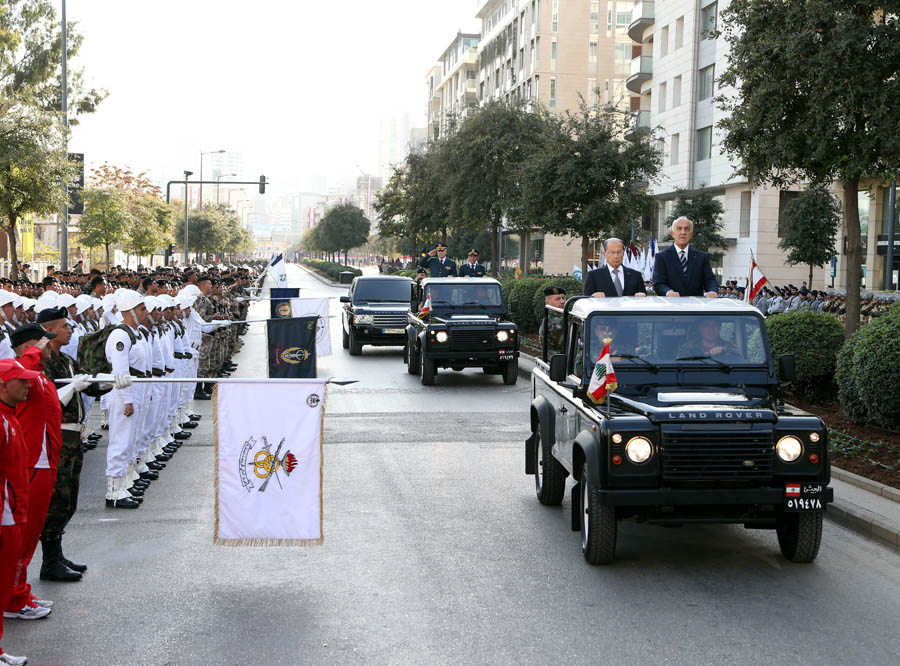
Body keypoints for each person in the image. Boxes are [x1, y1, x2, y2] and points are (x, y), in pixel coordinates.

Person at [0, 358, 46, 666]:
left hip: (13, 515)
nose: (28, 385)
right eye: (22, 381)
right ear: (3, 385)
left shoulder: (10, 416)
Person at [652, 217, 719, 298]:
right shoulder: (662, 257)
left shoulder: (702, 257)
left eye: (686, 229)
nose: (683, 232)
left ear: (691, 234)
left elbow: (710, 280)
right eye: (679, 229)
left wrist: (712, 291)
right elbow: (658, 283)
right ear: (673, 234)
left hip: (695, 306)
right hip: (671, 305)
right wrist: (668, 292)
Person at [677, 318, 741, 359]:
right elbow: (681, 367)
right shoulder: (688, 348)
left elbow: (740, 360)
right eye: (706, 325)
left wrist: (724, 351)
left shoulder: (727, 346)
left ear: (719, 328)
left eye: (715, 325)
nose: (711, 330)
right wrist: (705, 356)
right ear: (699, 328)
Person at [538, 286, 566, 352]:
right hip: (558, 360)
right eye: (557, 299)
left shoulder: (562, 316)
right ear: (547, 302)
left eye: (563, 298)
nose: (562, 301)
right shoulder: (552, 322)